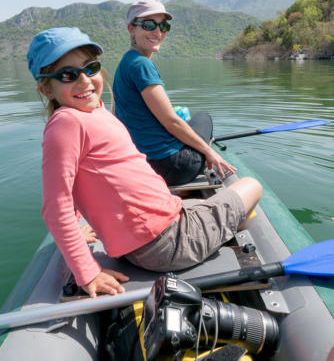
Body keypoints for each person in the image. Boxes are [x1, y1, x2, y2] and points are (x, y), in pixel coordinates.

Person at [27, 26, 262, 299]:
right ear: (46, 88)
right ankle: (221, 231)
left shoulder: (92, 112)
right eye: (68, 74)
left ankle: (217, 226)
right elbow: (56, 206)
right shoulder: (66, 124)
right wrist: (87, 272)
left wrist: (80, 227)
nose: (84, 81)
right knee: (251, 186)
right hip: (166, 243)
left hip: (155, 231)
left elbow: (78, 181)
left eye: (90, 68)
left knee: (212, 204)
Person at [112, 0, 236, 187]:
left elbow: (116, 115)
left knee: (186, 121)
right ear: (131, 28)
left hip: (145, 162)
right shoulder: (141, 64)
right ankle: (204, 152)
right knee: (203, 118)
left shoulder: (125, 63)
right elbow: (170, 121)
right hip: (173, 167)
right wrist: (208, 152)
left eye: (163, 26)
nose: (158, 32)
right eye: (149, 25)